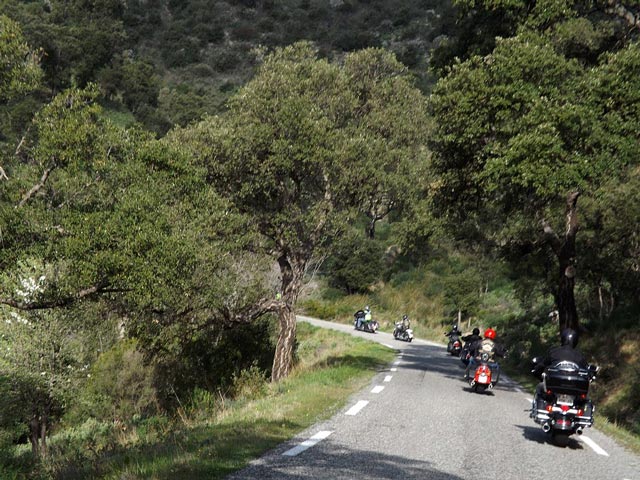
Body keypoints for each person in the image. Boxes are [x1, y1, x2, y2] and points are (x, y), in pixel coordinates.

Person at [531, 328, 588, 411]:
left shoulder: (554, 351)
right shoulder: (580, 355)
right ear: (576, 341)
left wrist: (536, 370)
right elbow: (587, 370)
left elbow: (542, 365)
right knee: (585, 398)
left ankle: (539, 409)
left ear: (562, 339)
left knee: (540, 387)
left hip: (554, 385)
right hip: (574, 388)